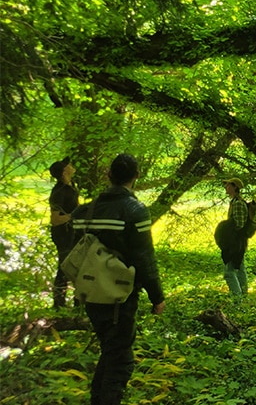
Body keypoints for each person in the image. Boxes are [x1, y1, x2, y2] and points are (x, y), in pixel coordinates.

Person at [70, 153, 165, 405]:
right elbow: (144, 257)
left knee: (110, 350)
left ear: (108, 175)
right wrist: (157, 297)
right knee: (120, 358)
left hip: (90, 293)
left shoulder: (84, 211)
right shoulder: (134, 211)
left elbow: (74, 250)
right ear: (137, 176)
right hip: (119, 296)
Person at [48, 156, 79, 309]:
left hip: (72, 233)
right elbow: (55, 219)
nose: (71, 165)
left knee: (76, 266)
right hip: (63, 235)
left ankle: (77, 302)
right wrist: (75, 215)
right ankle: (59, 304)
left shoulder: (71, 187)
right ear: (64, 171)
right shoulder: (59, 192)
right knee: (64, 267)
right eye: (68, 165)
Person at [220, 177, 249, 300]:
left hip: (236, 242)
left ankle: (237, 299)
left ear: (234, 187)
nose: (226, 187)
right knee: (240, 267)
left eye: (228, 185)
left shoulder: (237, 204)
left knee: (229, 272)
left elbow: (239, 225)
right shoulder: (234, 202)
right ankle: (243, 295)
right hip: (238, 241)